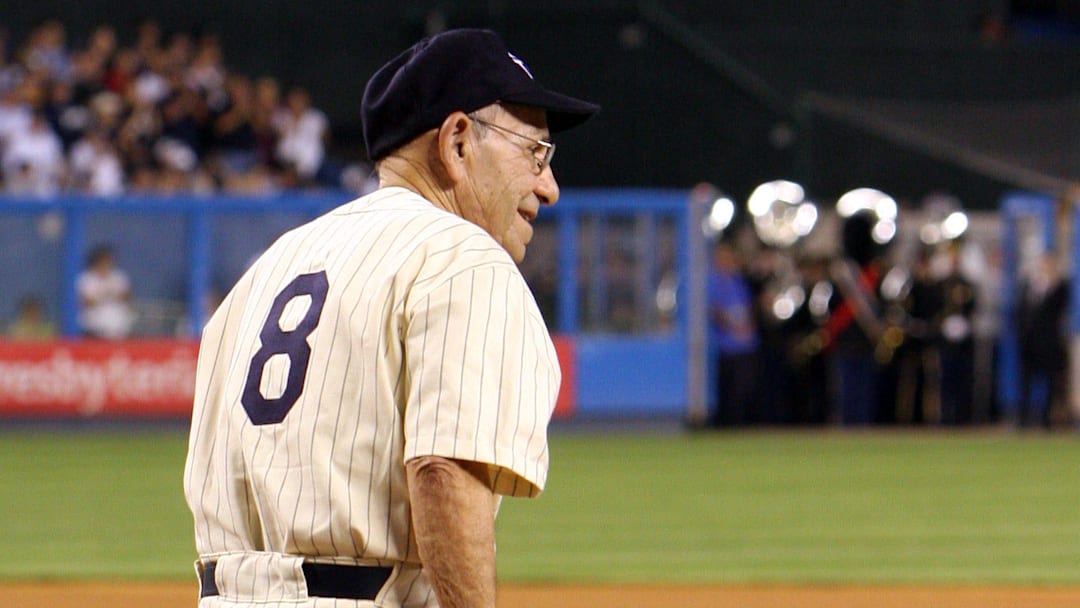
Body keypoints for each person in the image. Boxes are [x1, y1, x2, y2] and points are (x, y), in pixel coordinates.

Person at [183, 28, 598, 608]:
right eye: (536, 152)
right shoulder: (463, 257)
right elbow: (442, 473)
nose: (548, 187)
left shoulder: (266, 270)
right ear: (457, 141)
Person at [706, 240, 759, 426]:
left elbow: (748, 308)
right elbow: (713, 310)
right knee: (726, 391)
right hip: (724, 347)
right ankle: (723, 427)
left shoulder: (738, 281)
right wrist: (734, 326)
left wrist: (748, 328)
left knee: (744, 391)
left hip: (744, 346)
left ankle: (740, 426)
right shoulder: (711, 281)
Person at [76, 243, 135, 339]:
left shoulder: (119, 277)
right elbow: (87, 301)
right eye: (103, 261)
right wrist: (109, 295)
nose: (106, 263)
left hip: (119, 330)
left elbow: (126, 296)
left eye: (108, 260)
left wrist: (105, 295)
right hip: (94, 331)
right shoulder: (87, 279)